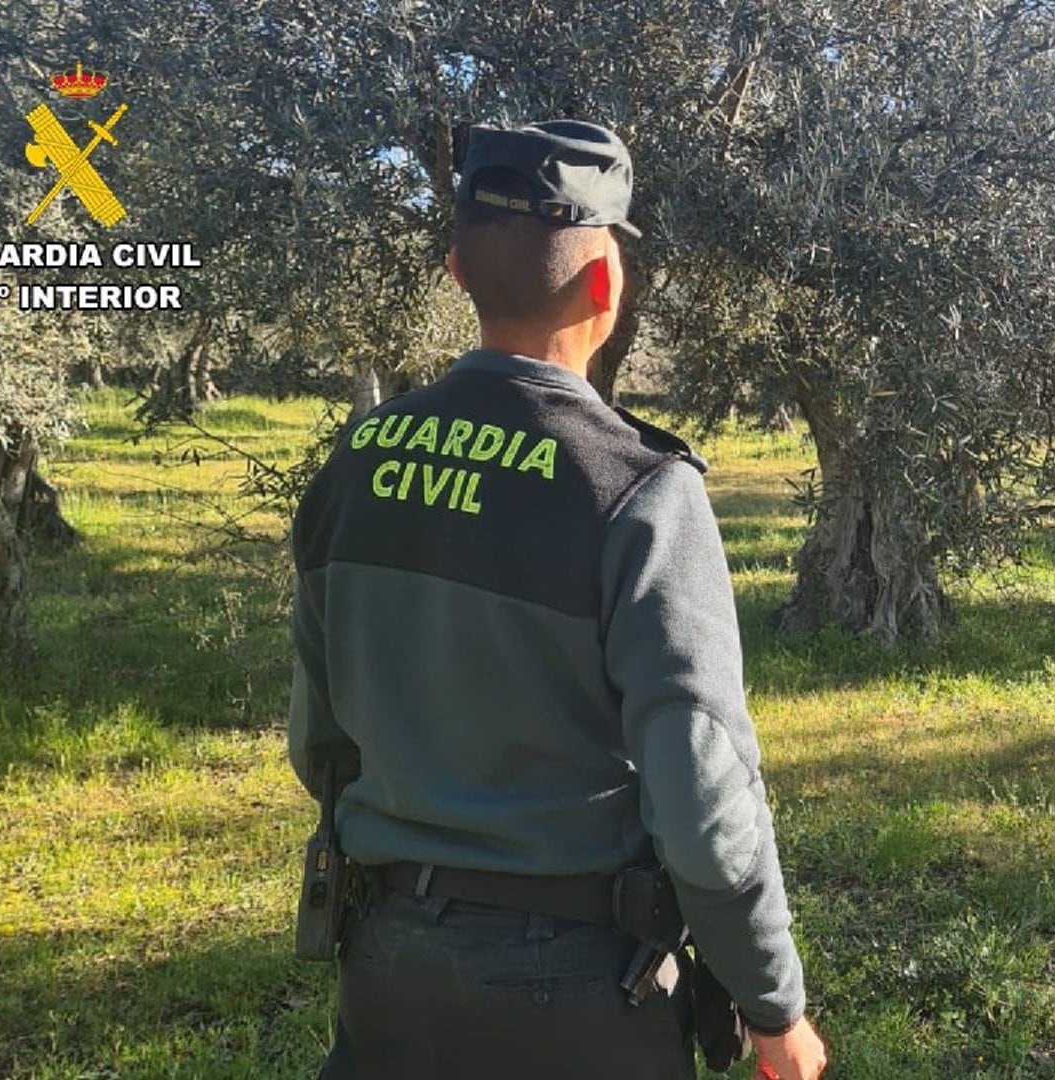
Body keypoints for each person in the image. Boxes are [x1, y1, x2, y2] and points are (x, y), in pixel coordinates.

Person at [287, 119, 828, 1080]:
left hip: (386, 958)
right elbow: (703, 801)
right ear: (607, 285)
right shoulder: (640, 490)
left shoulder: (355, 463)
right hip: (576, 982)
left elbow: (318, 742)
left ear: (456, 269)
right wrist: (772, 1002)